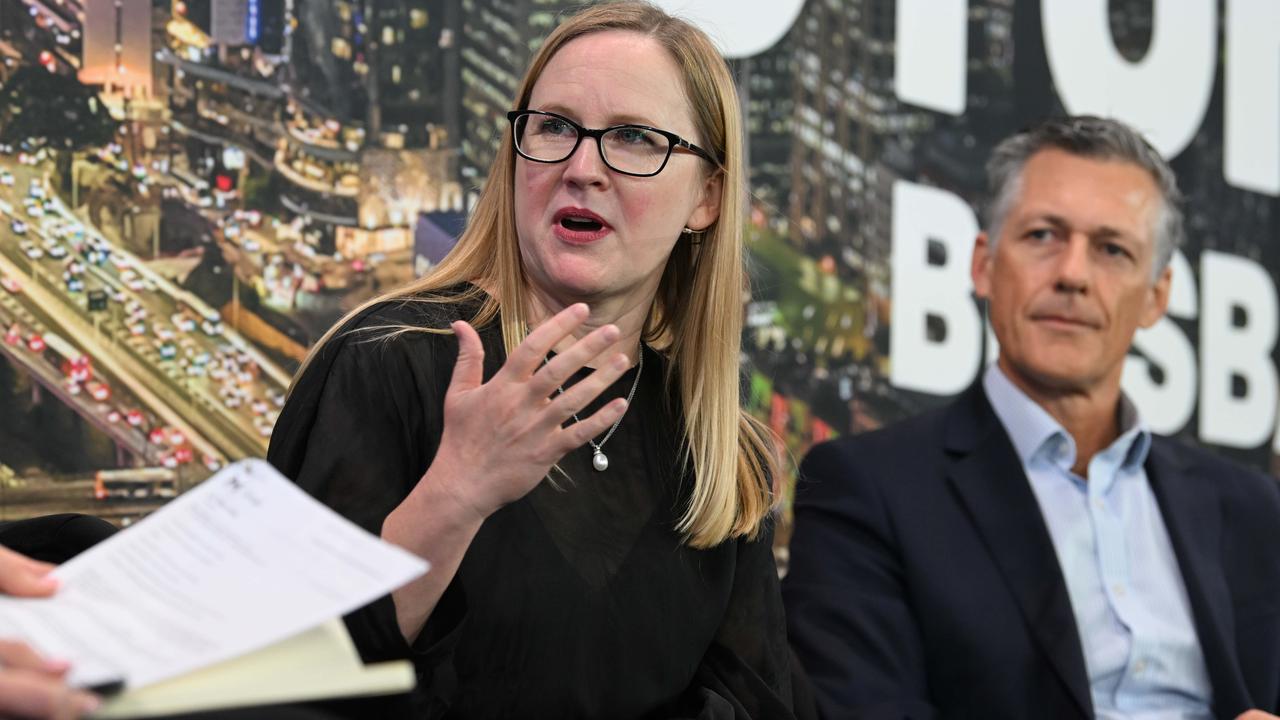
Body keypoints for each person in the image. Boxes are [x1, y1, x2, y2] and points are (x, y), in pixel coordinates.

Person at [267, 3, 797, 718]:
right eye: (553, 127)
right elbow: (288, 670)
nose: (582, 168)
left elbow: (760, 703)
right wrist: (457, 491)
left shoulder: (720, 455)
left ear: (706, 196)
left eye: (635, 138)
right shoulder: (385, 364)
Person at [783, 116, 1280, 719]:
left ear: (1156, 297)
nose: (1072, 274)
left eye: (1112, 249)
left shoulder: (1252, 511)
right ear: (984, 265)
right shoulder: (867, 489)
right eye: (1044, 235)